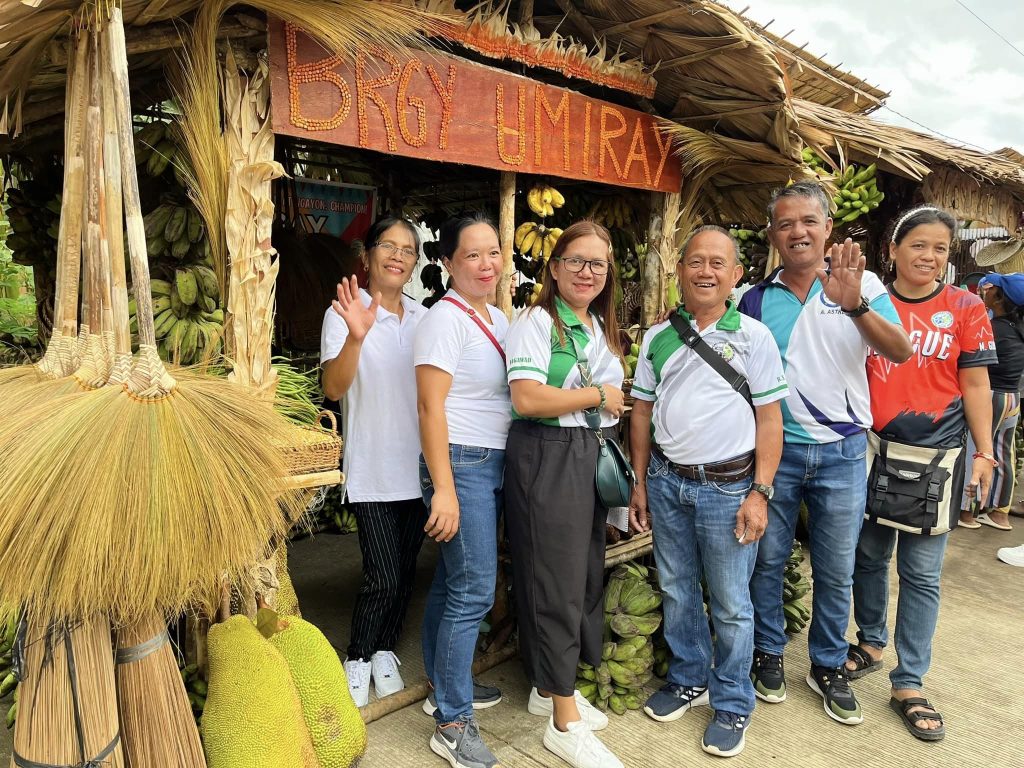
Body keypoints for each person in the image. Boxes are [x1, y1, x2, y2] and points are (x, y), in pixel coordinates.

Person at [738, 181, 913, 726]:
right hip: (776, 452)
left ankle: (827, 664)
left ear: (828, 228)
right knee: (767, 560)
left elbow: (900, 349)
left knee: (836, 568)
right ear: (772, 234)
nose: (798, 232)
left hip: (840, 453)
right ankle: (768, 652)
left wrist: (855, 303)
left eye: (809, 221)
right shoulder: (754, 298)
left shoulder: (862, 285)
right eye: (786, 223)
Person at [629, 226, 787, 758]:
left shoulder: (753, 337)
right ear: (680, 270)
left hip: (728, 487)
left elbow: (770, 419)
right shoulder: (658, 337)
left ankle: (733, 700)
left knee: (731, 602)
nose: (705, 271)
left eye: (718, 263)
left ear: (736, 275)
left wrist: (760, 492)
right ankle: (689, 676)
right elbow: (643, 412)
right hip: (668, 482)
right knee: (675, 587)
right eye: (696, 261)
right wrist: (640, 482)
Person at [846, 205, 996, 741]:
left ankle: (908, 681)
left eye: (939, 249)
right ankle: (868, 641)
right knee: (866, 555)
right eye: (918, 246)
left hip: (936, 459)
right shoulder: (869, 304)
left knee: (922, 574)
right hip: (869, 452)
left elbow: (976, 384)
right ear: (893, 249)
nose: (929, 257)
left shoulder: (965, 306)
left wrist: (985, 452)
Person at [503, 221, 626, 768]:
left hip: (583, 456)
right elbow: (527, 398)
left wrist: (598, 401)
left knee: (580, 576)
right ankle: (562, 721)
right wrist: (600, 393)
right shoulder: (535, 322)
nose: (587, 272)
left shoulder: (593, 324)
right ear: (553, 268)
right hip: (545, 455)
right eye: (576, 261)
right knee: (552, 581)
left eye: (597, 263)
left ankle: (549, 687)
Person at [320, 215, 428, 707]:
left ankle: (385, 650)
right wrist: (357, 336)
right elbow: (333, 388)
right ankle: (358, 656)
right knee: (381, 576)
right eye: (389, 245)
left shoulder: (427, 319)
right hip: (373, 469)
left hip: (421, 470)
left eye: (408, 249)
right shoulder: (344, 312)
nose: (399, 255)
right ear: (367, 255)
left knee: (405, 574)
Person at [415, 213, 510, 768]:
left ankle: (441, 690)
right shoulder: (443, 321)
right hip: (461, 466)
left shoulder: (495, 317)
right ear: (448, 263)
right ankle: (452, 721)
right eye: (472, 255)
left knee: (456, 582)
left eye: (493, 252)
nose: (486, 264)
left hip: (489, 464)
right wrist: (444, 490)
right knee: (475, 590)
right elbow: (431, 407)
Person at [958, 273, 1024, 531]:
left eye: (988, 289)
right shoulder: (1017, 326)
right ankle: (999, 514)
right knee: (1004, 454)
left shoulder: (992, 328)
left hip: (990, 396)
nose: (983, 291)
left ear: (998, 297)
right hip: (1012, 398)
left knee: (976, 450)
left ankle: (966, 512)